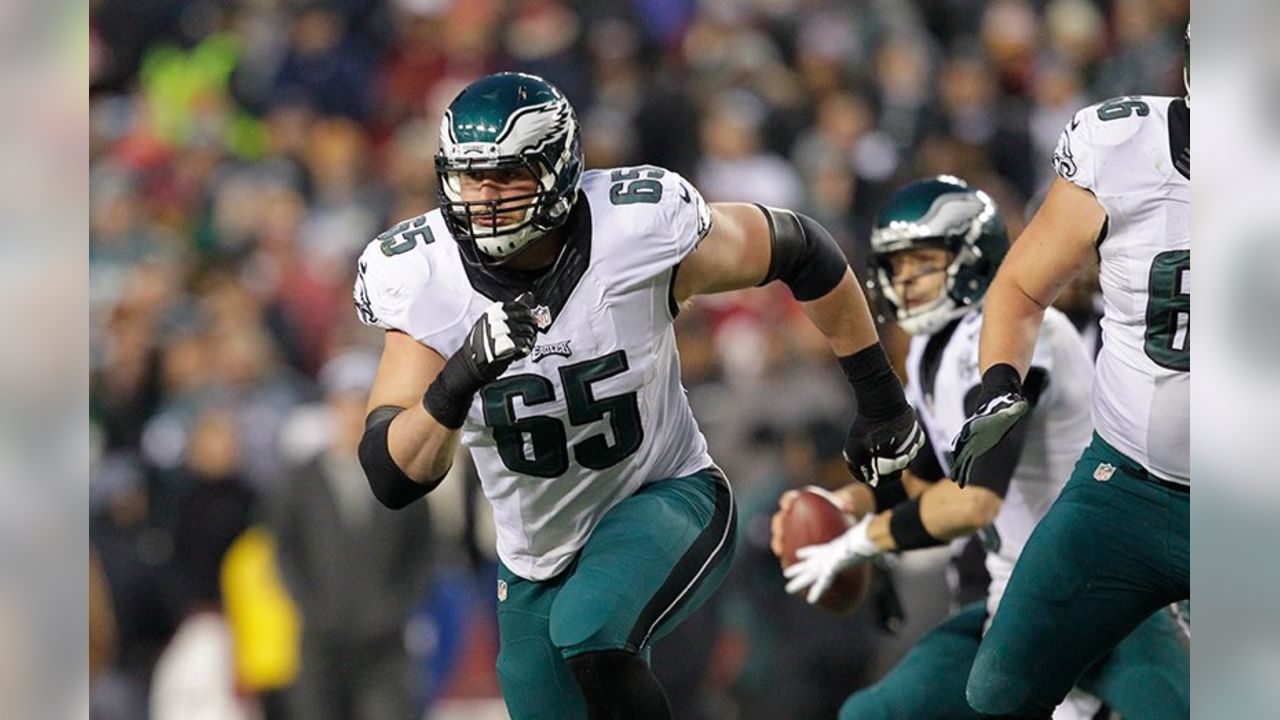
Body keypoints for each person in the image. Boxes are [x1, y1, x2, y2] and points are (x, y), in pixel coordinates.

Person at [350, 72, 923, 720]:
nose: (485, 197)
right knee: (552, 678)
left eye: (508, 175)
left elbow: (801, 247)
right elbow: (391, 474)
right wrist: (460, 375)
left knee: (592, 630)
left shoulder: (638, 229)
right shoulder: (426, 279)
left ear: (557, 170)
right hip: (535, 556)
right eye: (471, 176)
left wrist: (880, 399)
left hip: (665, 493)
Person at [775, 176, 1189, 719]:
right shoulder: (931, 347)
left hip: (1104, 595)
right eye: (896, 266)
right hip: (1015, 600)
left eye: (921, 261)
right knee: (872, 713)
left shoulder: (1020, 336)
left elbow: (974, 501)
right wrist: (842, 506)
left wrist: (865, 542)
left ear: (972, 254)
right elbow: (921, 473)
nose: (906, 280)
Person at [949, 26, 1191, 719]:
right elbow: (1022, 287)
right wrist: (999, 383)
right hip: (1125, 494)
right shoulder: (1122, 150)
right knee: (997, 690)